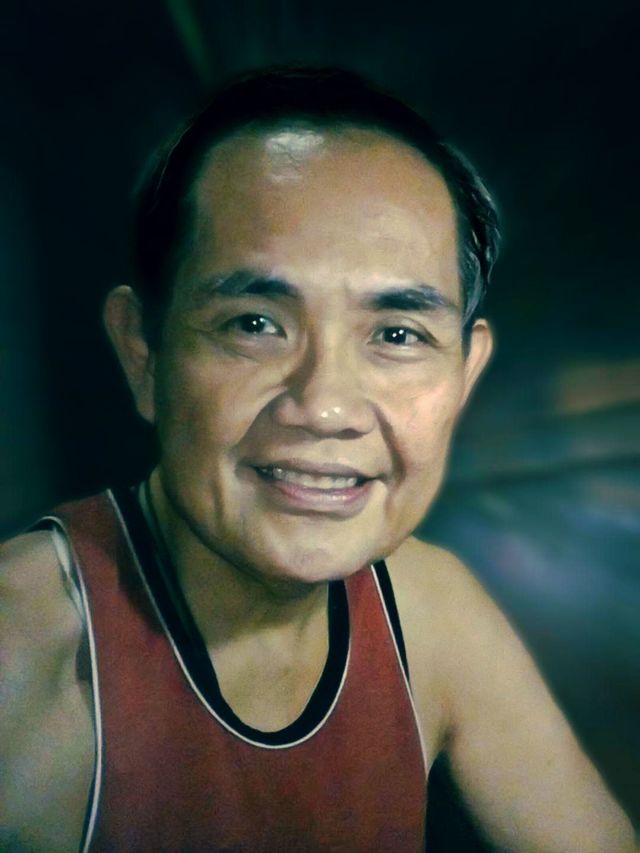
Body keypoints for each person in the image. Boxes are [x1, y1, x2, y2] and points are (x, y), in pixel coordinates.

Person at [0, 67, 635, 852]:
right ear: (143, 353)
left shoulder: (427, 609)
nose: (326, 406)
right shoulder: (24, 655)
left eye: (397, 335)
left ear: (464, 377)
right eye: (255, 323)